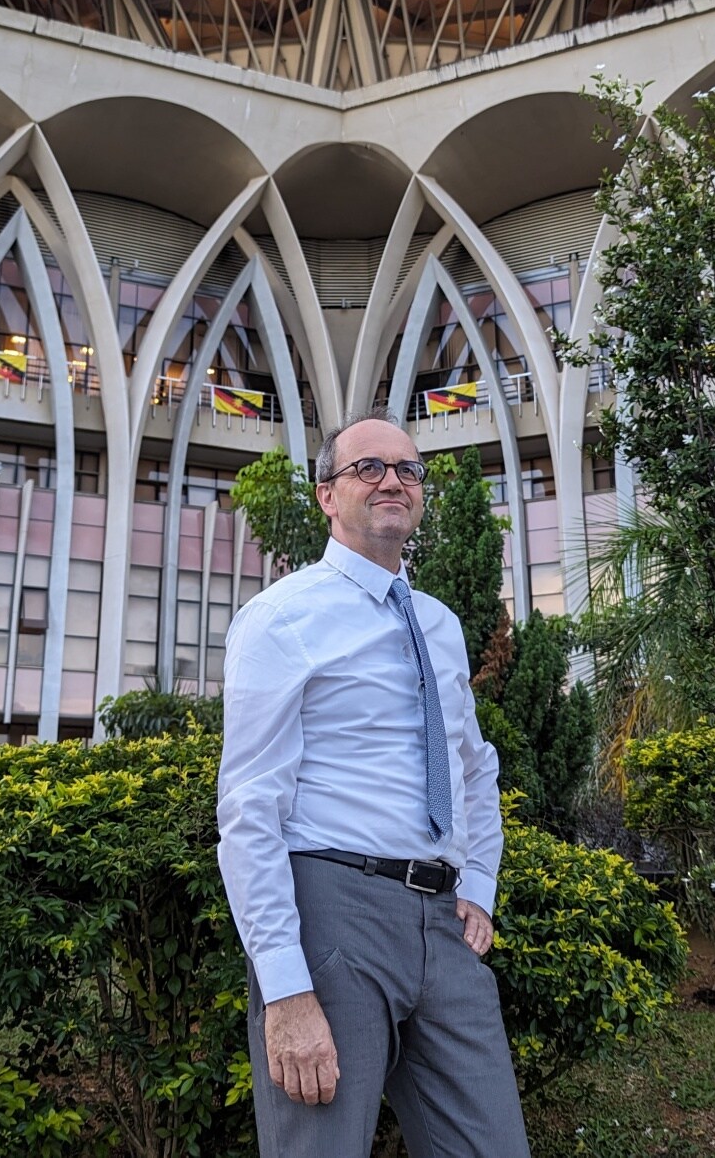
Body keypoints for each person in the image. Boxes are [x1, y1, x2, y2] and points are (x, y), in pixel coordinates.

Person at [217, 412, 529, 1157]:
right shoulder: (280, 619)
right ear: (327, 496)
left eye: (408, 469)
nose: (394, 480)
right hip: (333, 918)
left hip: (443, 927)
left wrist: (480, 878)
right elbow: (251, 811)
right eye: (369, 468)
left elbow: (471, 762)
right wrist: (287, 990)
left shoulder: (440, 624)